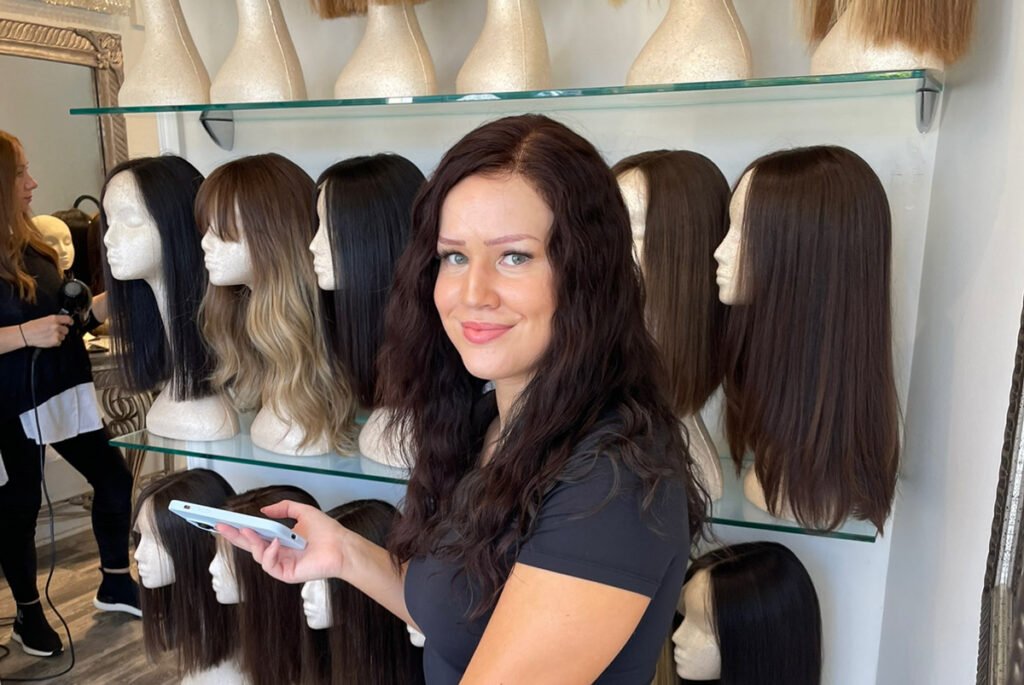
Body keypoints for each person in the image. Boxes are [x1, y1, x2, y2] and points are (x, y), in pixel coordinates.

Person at [220, 114, 709, 683]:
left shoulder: (612, 483)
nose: (472, 293)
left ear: (586, 274)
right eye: (454, 256)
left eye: (514, 257)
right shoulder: (491, 425)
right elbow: (465, 618)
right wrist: (345, 554)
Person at [0, 130, 138, 658]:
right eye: (20, 174)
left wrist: (117, 296)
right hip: (12, 398)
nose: (32, 183)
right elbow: (32, 329)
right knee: (19, 505)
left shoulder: (33, 246)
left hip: (64, 386)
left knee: (112, 478)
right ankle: (28, 616)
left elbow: (70, 320)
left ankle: (115, 581)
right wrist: (23, 336)